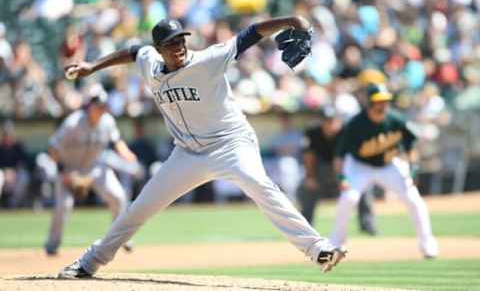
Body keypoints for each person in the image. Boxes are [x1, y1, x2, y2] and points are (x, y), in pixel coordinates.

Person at [58, 16, 346, 278]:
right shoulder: (150, 62)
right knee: (140, 208)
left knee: (260, 185)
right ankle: (90, 262)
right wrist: (93, 67)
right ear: (159, 49)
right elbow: (134, 51)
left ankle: (318, 249)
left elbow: (250, 33)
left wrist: (291, 21)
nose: (178, 47)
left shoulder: (209, 59)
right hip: (186, 153)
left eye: (181, 40)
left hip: (231, 143)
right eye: (171, 44)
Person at [329, 83, 438, 258]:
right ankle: (336, 242)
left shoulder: (395, 119)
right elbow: (339, 155)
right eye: (379, 102)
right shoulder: (355, 124)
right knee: (348, 198)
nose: (383, 106)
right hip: (359, 166)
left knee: (413, 199)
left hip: (389, 165)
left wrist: (413, 166)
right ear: (369, 104)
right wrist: (342, 176)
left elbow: (410, 144)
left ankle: (428, 244)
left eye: (386, 101)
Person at [44, 84, 138, 256]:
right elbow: (53, 148)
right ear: (89, 106)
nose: (101, 109)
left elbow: (117, 141)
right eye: (98, 106)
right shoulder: (73, 123)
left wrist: (127, 154)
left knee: (118, 197)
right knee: (63, 206)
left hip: (94, 168)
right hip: (69, 169)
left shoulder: (107, 121)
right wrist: (63, 171)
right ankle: (52, 245)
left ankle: (122, 238)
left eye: (104, 106)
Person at [297, 106, 378, 235]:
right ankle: (304, 229)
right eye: (327, 121)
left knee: (364, 186)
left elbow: (355, 158)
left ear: (339, 120)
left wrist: (345, 178)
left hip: (346, 171)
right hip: (321, 173)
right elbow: (308, 157)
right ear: (322, 122)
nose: (331, 124)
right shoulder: (313, 133)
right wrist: (310, 177)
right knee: (306, 188)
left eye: (334, 120)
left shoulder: (348, 132)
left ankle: (368, 225)